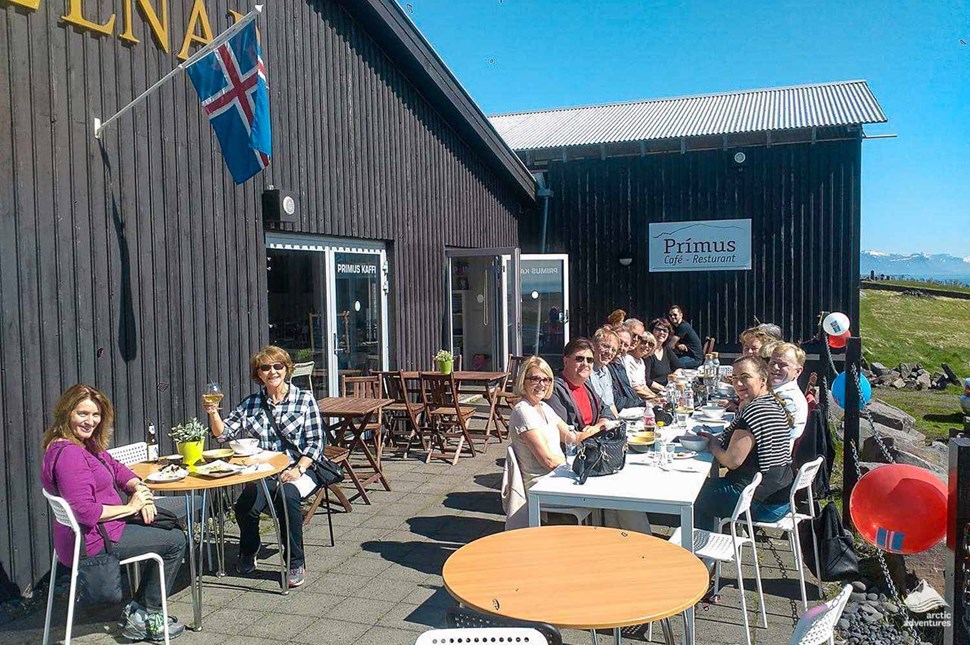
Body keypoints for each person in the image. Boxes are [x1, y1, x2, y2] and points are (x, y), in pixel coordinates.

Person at [41, 385, 187, 642]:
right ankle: (146, 616)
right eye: (82, 413)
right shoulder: (71, 455)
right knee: (176, 540)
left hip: (90, 534)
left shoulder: (83, 445)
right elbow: (85, 511)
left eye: (95, 415)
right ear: (67, 413)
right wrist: (132, 507)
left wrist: (140, 490)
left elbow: (118, 469)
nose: (90, 421)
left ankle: (139, 611)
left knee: (166, 525)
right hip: (92, 542)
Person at [204, 345, 326, 588]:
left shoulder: (304, 400)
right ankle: (249, 549)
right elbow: (223, 434)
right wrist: (213, 413)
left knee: (287, 496)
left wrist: (298, 469)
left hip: (300, 467)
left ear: (287, 369)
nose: (272, 371)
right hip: (264, 470)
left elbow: (316, 443)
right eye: (265, 367)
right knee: (245, 506)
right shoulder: (252, 402)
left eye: (278, 366)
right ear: (258, 374)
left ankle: (294, 561)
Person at [694, 356, 795, 532]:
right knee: (707, 488)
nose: (738, 383)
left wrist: (712, 444)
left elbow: (732, 461)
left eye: (745, 377)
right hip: (779, 496)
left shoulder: (755, 412)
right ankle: (717, 536)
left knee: (692, 493)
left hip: (760, 502)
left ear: (763, 379)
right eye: (734, 378)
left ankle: (702, 551)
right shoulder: (772, 402)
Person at [508, 356, 603, 489]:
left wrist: (601, 429)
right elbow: (549, 461)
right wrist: (579, 464)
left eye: (546, 380)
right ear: (523, 381)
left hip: (558, 474)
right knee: (600, 492)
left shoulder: (543, 406)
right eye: (535, 379)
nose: (542, 385)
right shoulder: (523, 412)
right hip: (542, 485)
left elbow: (572, 437)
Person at [547, 338, 616, 434]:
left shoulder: (586, 385)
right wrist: (591, 433)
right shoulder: (555, 390)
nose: (585, 364)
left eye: (590, 360)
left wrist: (599, 426)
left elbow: (606, 410)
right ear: (566, 361)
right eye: (580, 359)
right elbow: (564, 431)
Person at [768, 343, 810, 450]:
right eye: (772, 363)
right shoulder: (773, 389)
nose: (775, 368)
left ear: (797, 371)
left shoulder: (789, 399)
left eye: (782, 365)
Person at [588, 327, 620, 415]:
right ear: (593, 345)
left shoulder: (606, 371)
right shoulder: (586, 370)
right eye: (605, 346)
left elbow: (611, 404)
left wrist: (618, 422)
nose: (609, 352)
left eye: (613, 350)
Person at [621, 319, 656, 399]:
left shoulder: (641, 362)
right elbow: (633, 387)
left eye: (650, 344)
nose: (636, 339)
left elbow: (643, 386)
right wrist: (655, 398)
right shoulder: (626, 358)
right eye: (644, 342)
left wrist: (656, 397)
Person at [645, 318, 683, 392]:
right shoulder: (647, 351)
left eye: (665, 330)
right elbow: (647, 381)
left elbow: (680, 367)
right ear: (652, 331)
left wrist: (673, 377)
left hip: (668, 390)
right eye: (658, 329)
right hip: (654, 393)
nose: (662, 332)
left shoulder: (666, 349)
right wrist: (665, 389)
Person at [609, 328, 642, 411]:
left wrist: (647, 403)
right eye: (620, 342)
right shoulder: (604, 367)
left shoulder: (619, 365)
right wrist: (642, 403)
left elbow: (629, 391)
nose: (621, 347)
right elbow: (616, 401)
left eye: (626, 345)